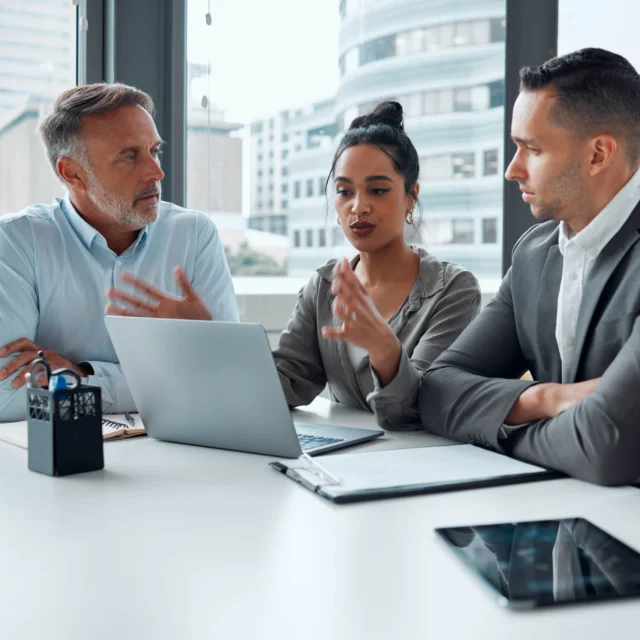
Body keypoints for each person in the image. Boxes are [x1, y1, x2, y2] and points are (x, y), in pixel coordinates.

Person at [107, 101, 480, 428]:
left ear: (411, 196)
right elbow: (284, 384)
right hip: (348, 467)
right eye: (344, 191)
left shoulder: (452, 290)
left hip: (423, 473)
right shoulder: (323, 287)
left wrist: (385, 349)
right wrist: (208, 337)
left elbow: (425, 408)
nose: (358, 206)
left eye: (378, 190)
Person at [417, 48, 640, 485]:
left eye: (530, 149)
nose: (511, 170)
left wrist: (498, 425)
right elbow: (435, 390)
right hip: (568, 524)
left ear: (598, 154)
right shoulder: (533, 255)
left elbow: (606, 448)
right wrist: (548, 399)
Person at [0, 83, 238, 422]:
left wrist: (81, 376)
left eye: (154, 151)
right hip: (59, 464)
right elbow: (6, 395)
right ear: (73, 173)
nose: (157, 172)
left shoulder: (194, 235)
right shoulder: (16, 240)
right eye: (130, 156)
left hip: (180, 456)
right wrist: (171, 376)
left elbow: (226, 380)